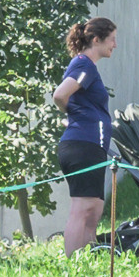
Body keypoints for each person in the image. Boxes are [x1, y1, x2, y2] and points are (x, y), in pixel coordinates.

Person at [52, 16, 118, 254]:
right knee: (82, 207)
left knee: (95, 207)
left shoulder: (88, 67)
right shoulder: (84, 65)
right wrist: (75, 114)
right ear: (96, 39)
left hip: (92, 146)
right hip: (82, 144)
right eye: (112, 39)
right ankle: (73, 261)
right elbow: (60, 95)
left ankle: (87, 257)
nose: (115, 45)